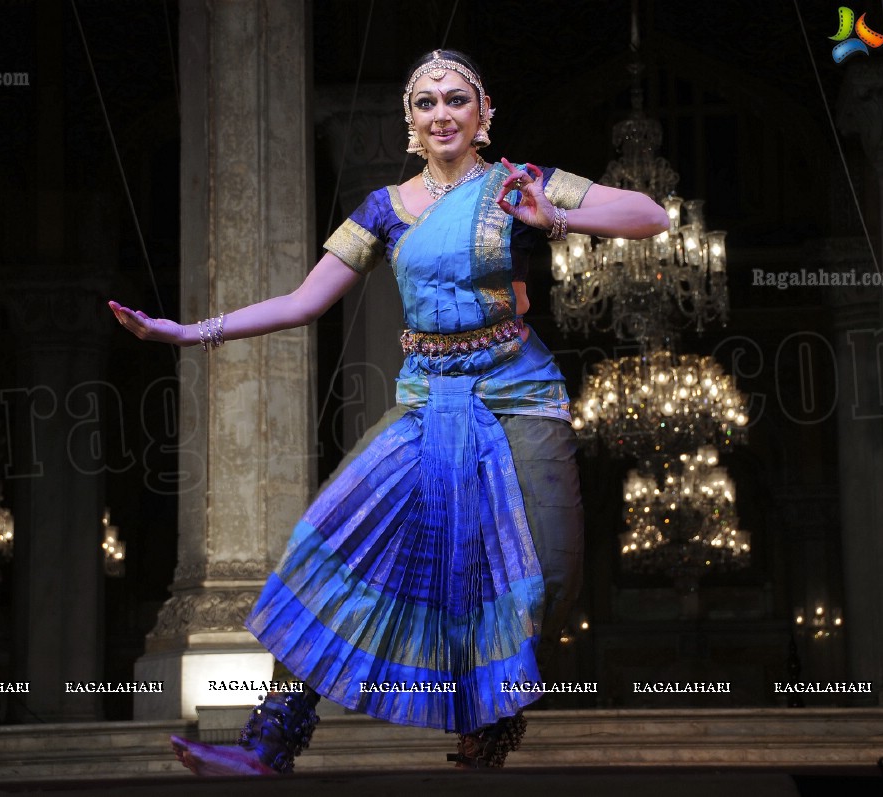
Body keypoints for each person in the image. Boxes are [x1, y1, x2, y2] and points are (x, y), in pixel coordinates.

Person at [109, 48, 668, 775]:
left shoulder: (518, 182)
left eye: (456, 100)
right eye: (426, 102)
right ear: (410, 120)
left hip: (517, 394)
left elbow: (651, 215)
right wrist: (189, 332)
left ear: (482, 114)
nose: (442, 114)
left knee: (551, 571)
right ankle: (270, 740)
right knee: (330, 546)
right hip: (427, 399)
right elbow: (301, 302)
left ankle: (487, 720)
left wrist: (555, 218)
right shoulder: (384, 209)